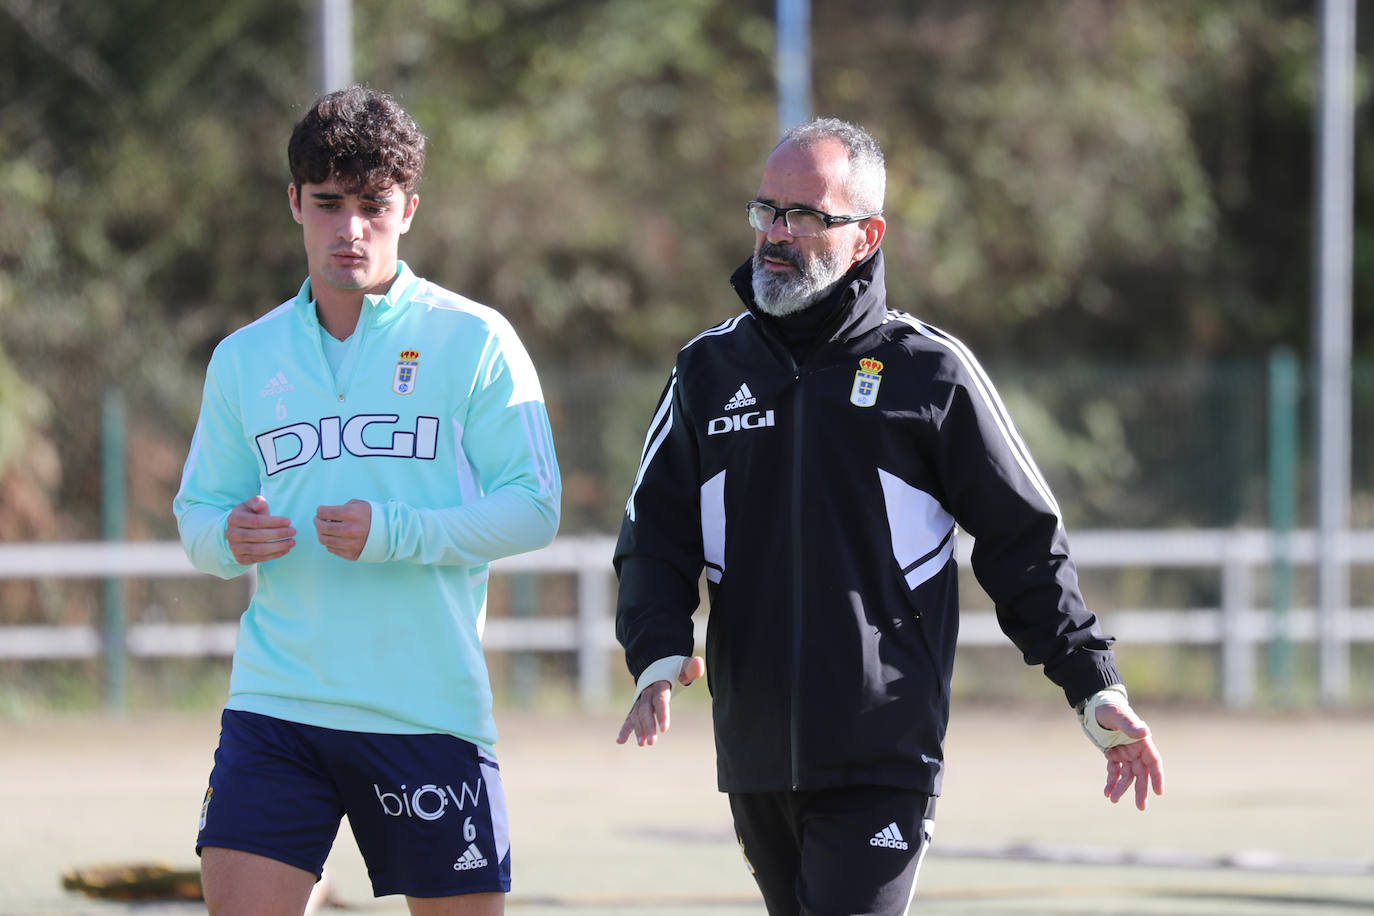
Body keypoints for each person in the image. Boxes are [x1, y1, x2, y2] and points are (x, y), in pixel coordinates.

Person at [613, 118, 1164, 915]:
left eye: (806, 216)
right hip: (755, 752)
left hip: (884, 749)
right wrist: (658, 652)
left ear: (866, 235)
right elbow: (654, 534)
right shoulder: (706, 370)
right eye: (766, 210)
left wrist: (1093, 683)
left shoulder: (929, 371)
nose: (776, 233)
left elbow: (1023, 542)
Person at [174, 86, 561, 916]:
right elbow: (198, 516)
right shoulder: (245, 358)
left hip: (426, 710)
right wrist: (227, 538)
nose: (350, 229)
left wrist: (394, 532)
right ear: (294, 204)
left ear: (409, 210)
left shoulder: (475, 339)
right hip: (277, 707)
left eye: (373, 207)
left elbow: (534, 506)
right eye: (328, 205)